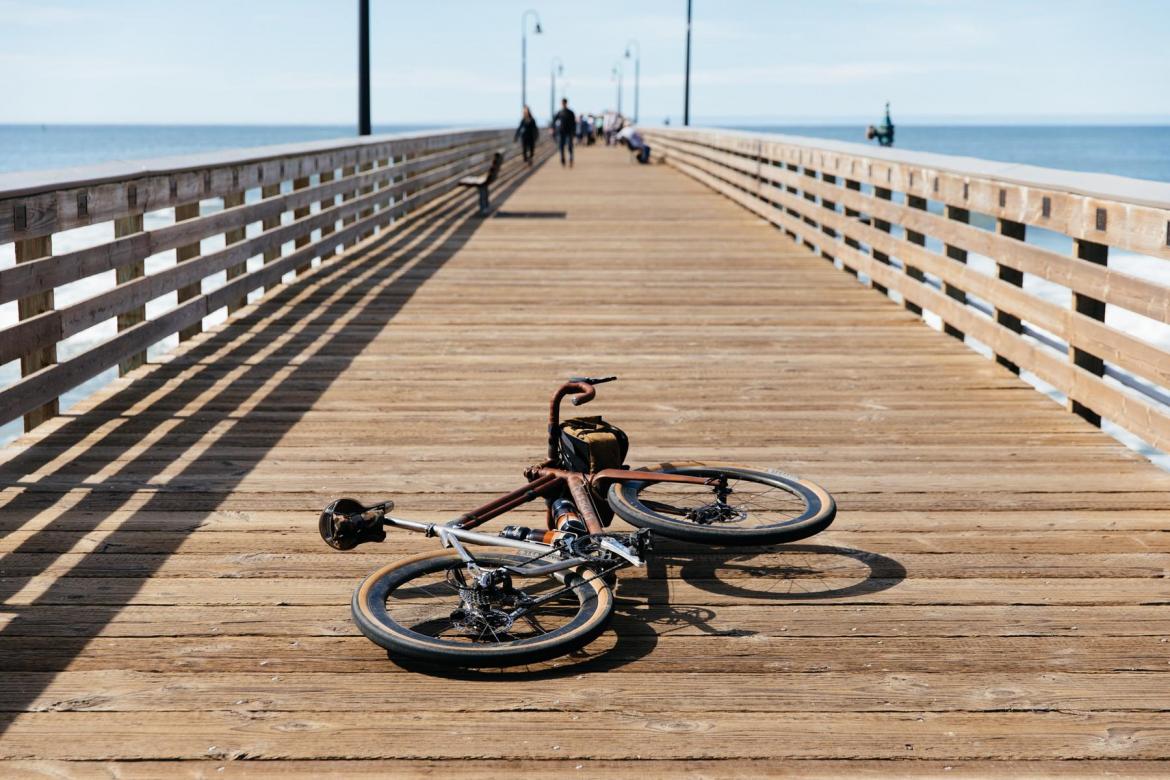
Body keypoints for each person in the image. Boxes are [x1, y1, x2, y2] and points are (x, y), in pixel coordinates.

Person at [553, 97, 576, 167]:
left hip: (569, 132)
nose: (563, 104)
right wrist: (552, 128)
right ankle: (563, 159)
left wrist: (574, 132)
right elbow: (554, 120)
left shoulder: (570, 112)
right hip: (561, 132)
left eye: (564, 103)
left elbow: (574, 123)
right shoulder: (559, 112)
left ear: (566, 103)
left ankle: (571, 158)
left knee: (569, 146)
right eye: (562, 103)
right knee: (561, 147)